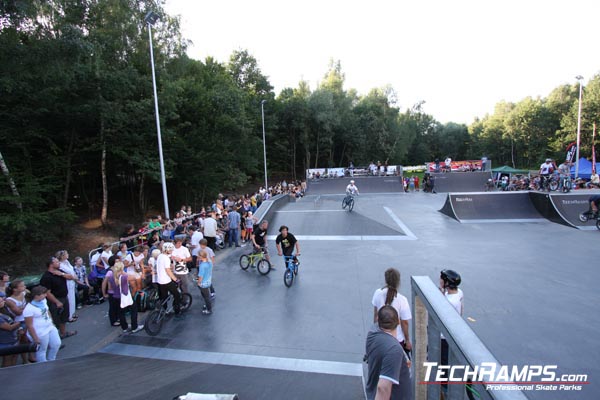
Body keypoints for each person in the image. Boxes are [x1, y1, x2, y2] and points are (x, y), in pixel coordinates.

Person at [365, 305, 412, 400]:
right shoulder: (394, 350)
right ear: (398, 322)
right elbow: (383, 388)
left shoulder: (372, 333)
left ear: (378, 320)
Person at [372, 269, 412, 356]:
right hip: (397, 340)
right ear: (398, 281)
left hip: (380, 336)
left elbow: (375, 316)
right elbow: (404, 323)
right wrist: (407, 340)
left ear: (386, 280)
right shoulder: (402, 300)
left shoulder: (378, 293)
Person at [439, 269, 464, 395]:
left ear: (447, 282)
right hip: (455, 331)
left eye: (442, 279)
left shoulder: (447, 301)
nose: (440, 280)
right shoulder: (459, 293)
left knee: (443, 364)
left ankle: (444, 391)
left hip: (444, 337)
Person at [40, 257, 77, 339]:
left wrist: (62, 274)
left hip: (64, 297)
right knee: (56, 319)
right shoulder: (46, 277)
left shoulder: (59, 272)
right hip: (55, 300)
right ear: (51, 265)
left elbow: (72, 277)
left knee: (64, 317)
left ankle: (63, 333)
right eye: (57, 262)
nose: (59, 263)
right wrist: (57, 302)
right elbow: (47, 292)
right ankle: (55, 338)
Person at [23, 286, 62, 363]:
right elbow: (29, 325)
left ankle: (51, 361)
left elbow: (47, 311)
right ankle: (43, 365)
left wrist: (52, 322)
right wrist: (35, 338)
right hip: (39, 331)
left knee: (56, 344)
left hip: (49, 327)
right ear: (37, 295)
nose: (46, 295)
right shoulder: (28, 309)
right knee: (42, 350)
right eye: (44, 294)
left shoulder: (43, 301)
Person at [113, 261, 143, 334]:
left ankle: (124, 327)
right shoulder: (124, 276)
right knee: (134, 310)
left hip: (116, 296)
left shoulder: (113, 275)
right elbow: (135, 277)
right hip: (125, 296)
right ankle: (134, 327)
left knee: (121, 313)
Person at [157, 242, 183, 320]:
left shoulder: (160, 256)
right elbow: (168, 270)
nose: (172, 251)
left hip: (160, 280)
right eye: (171, 250)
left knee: (164, 297)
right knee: (177, 295)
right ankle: (177, 311)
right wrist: (176, 279)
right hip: (166, 281)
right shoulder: (166, 258)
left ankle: (164, 310)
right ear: (167, 250)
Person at [56, 250, 78, 322]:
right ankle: (69, 316)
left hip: (72, 282)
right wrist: (73, 277)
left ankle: (72, 313)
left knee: (73, 298)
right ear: (62, 256)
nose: (68, 254)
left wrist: (75, 276)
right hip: (67, 283)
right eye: (66, 254)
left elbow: (72, 270)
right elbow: (65, 274)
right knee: (69, 299)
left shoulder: (67, 262)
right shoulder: (60, 265)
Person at [0, 296, 21, 367]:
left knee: (14, 357)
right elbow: (9, 327)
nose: (3, 301)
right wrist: (19, 323)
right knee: (7, 361)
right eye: (1, 301)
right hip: (5, 342)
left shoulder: (4, 312)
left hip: (13, 339)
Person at [197, 250, 213, 315]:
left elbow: (201, 276)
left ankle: (209, 309)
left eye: (198, 255)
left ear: (201, 257)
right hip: (208, 280)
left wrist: (198, 282)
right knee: (206, 295)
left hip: (203, 283)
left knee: (206, 297)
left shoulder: (202, 265)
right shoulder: (209, 262)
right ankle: (207, 305)